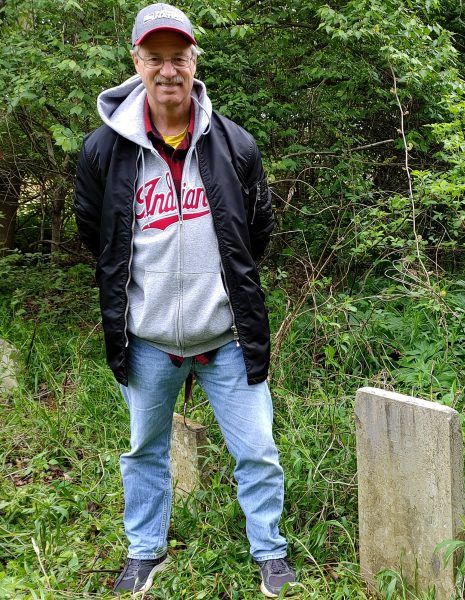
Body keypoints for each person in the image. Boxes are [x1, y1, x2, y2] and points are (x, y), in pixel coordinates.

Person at [74, 4, 297, 598]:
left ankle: (270, 553)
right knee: (145, 451)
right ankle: (144, 552)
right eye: (155, 57)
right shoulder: (103, 151)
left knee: (258, 452)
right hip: (147, 341)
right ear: (136, 62)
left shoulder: (234, 145)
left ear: (194, 60)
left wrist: (220, 296)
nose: (167, 69)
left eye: (179, 57)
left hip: (225, 336)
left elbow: (257, 233)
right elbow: (94, 234)